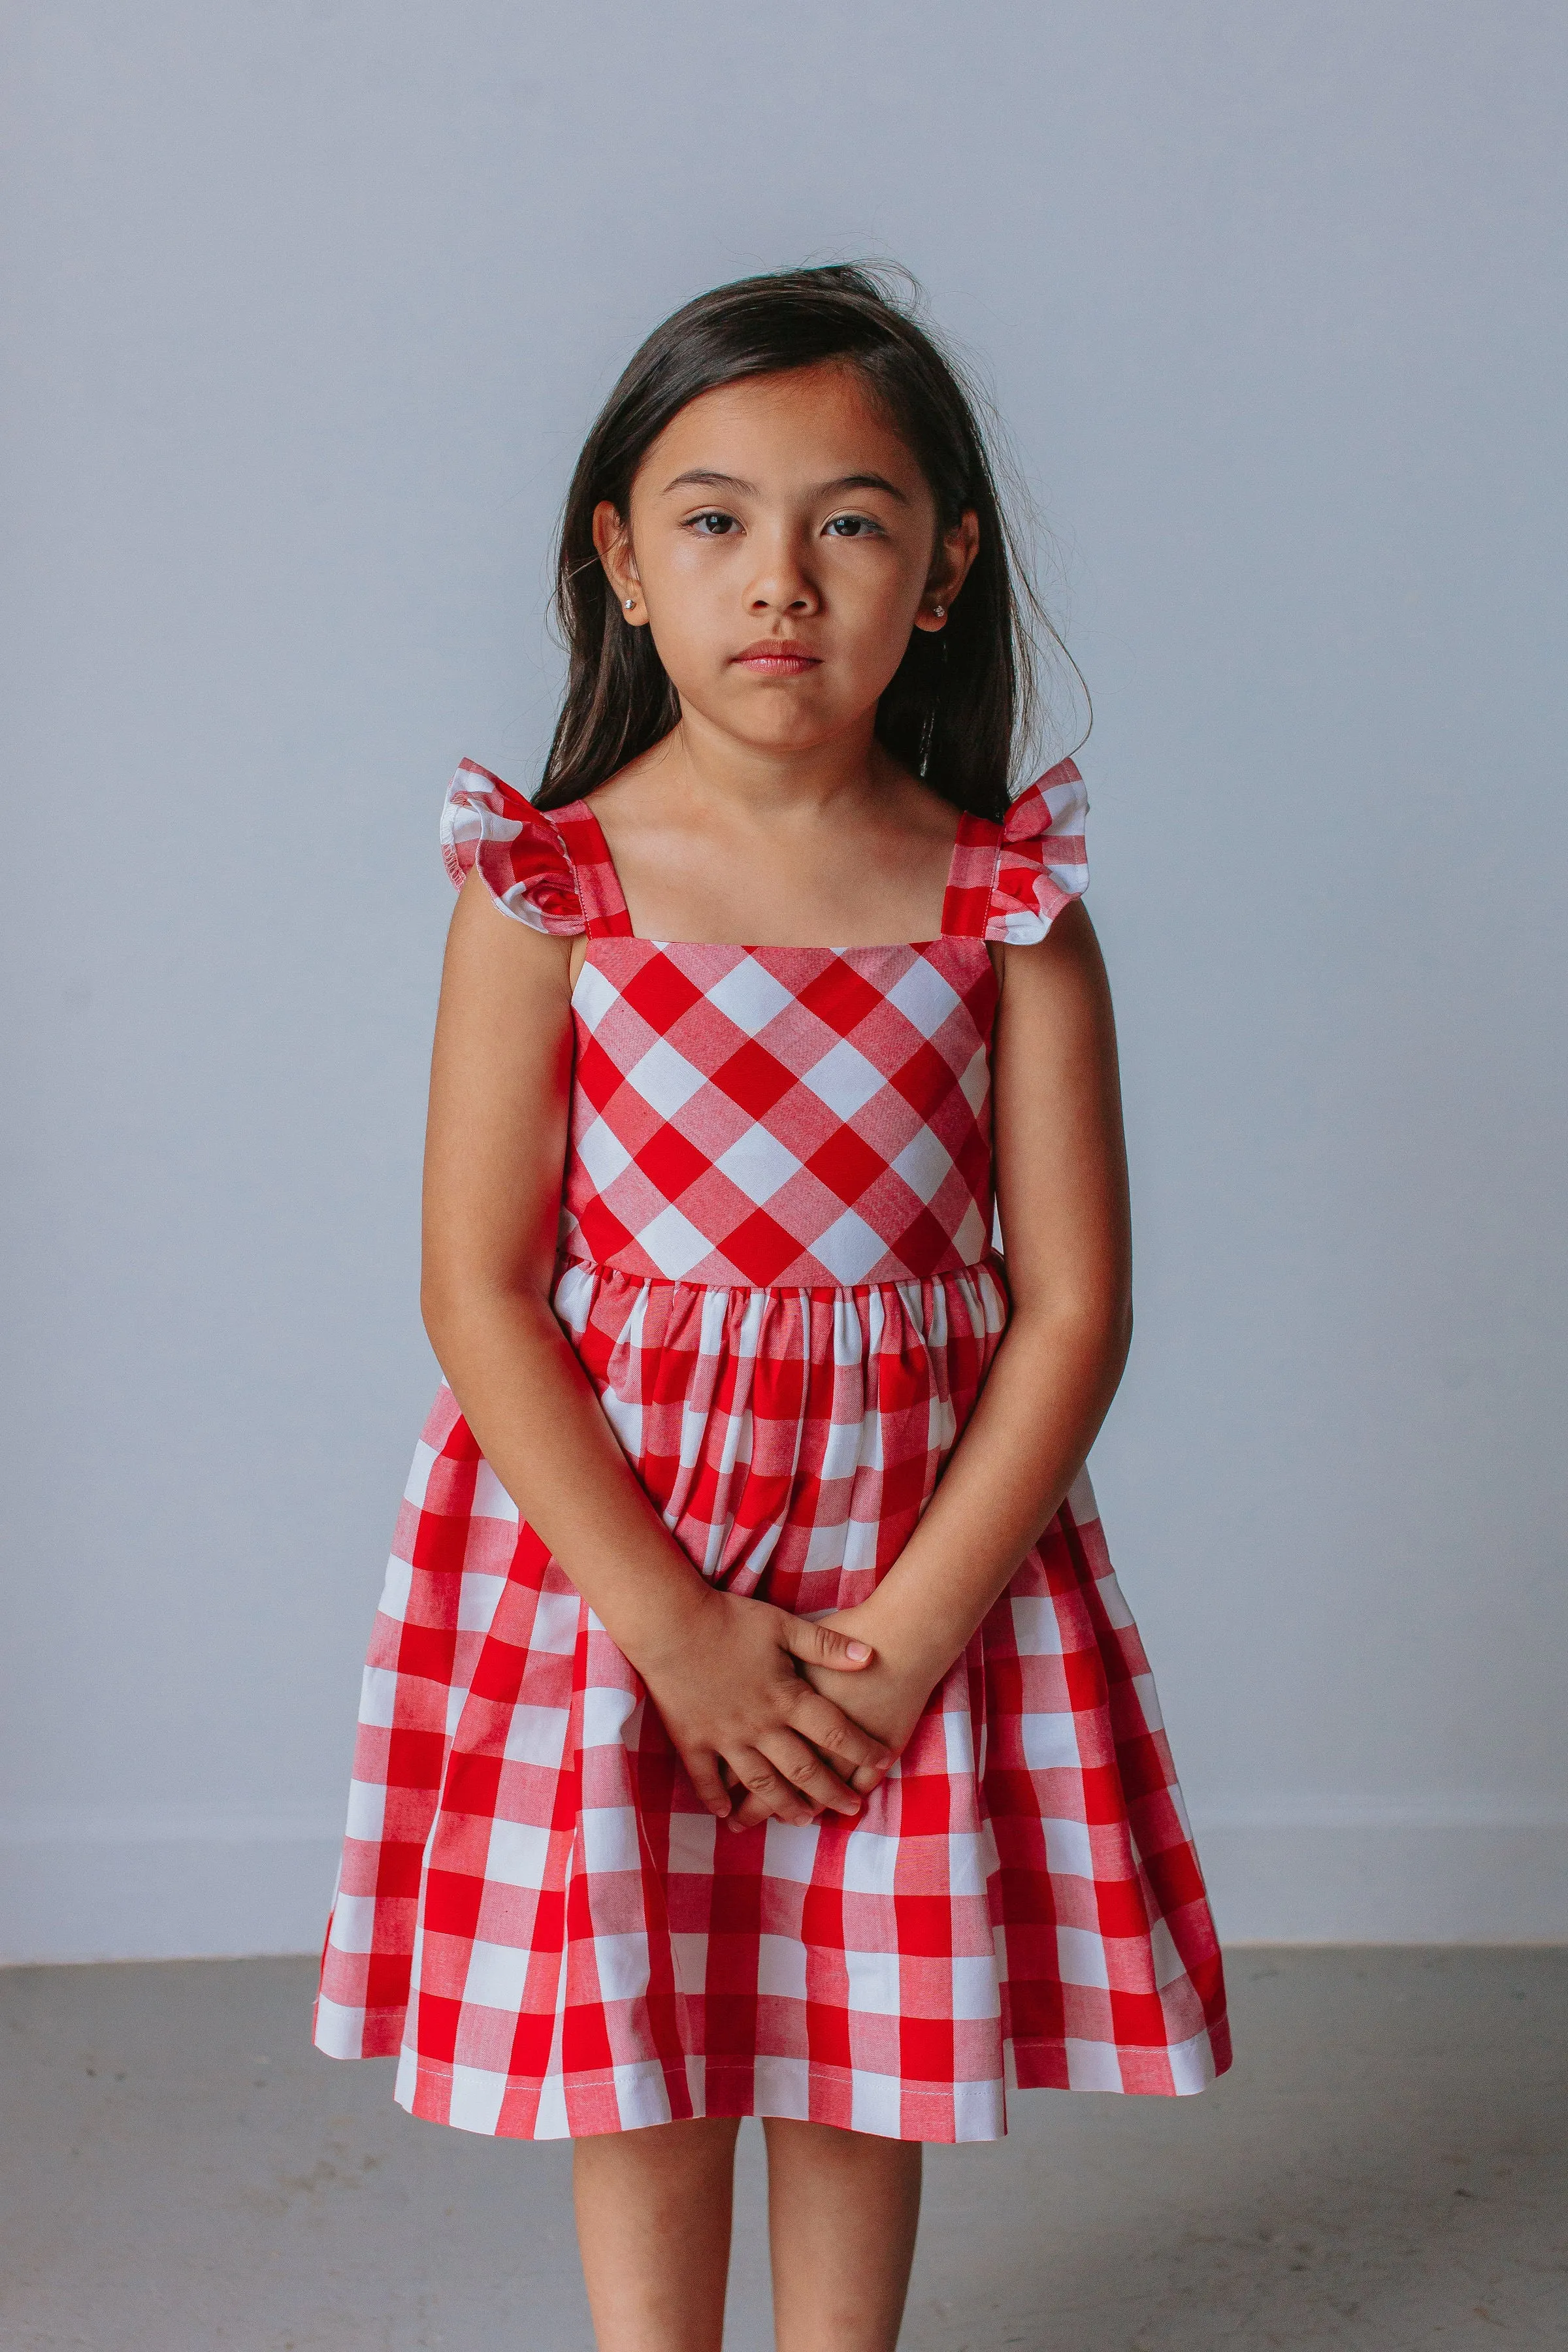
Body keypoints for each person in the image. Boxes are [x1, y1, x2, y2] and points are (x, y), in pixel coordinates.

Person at [314, 262, 1230, 2352]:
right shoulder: (551, 887)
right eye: (716, 518)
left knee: (856, 2021)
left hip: (904, 1560)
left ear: (945, 566)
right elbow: (480, 1285)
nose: (783, 580)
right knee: (645, 2016)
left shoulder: (1006, 908)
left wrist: (903, 1646)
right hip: (627, 1563)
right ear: (621, 564)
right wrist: (669, 1626)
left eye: (855, 519)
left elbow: (1072, 1305)